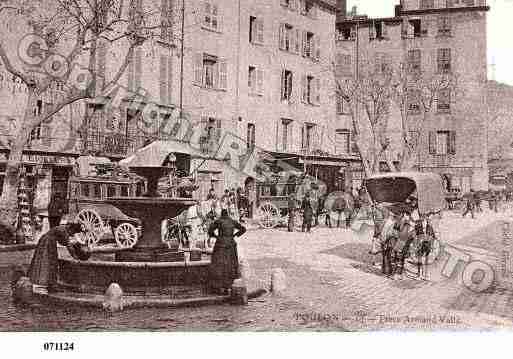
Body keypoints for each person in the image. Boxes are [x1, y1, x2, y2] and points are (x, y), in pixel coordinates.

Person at [28, 223, 90, 293]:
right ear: (71, 229)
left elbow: (63, 242)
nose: (72, 234)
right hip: (46, 242)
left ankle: (50, 284)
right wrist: (75, 257)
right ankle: (42, 283)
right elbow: (68, 246)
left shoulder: (65, 228)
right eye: (73, 232)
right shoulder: (64, 231)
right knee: (45, 261)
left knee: (52, 262)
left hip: (50, 242)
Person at [207, 209, 246, 294]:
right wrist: (235, 235)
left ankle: (219, 286)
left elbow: (210, 230)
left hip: (220, 244)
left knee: (219, 265)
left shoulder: (219, 221)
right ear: (227, 214)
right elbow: (243, 229)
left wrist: (215, 236)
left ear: (221, 214)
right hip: (231, 244)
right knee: (231, 264)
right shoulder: (232, 221)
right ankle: (229, 285)